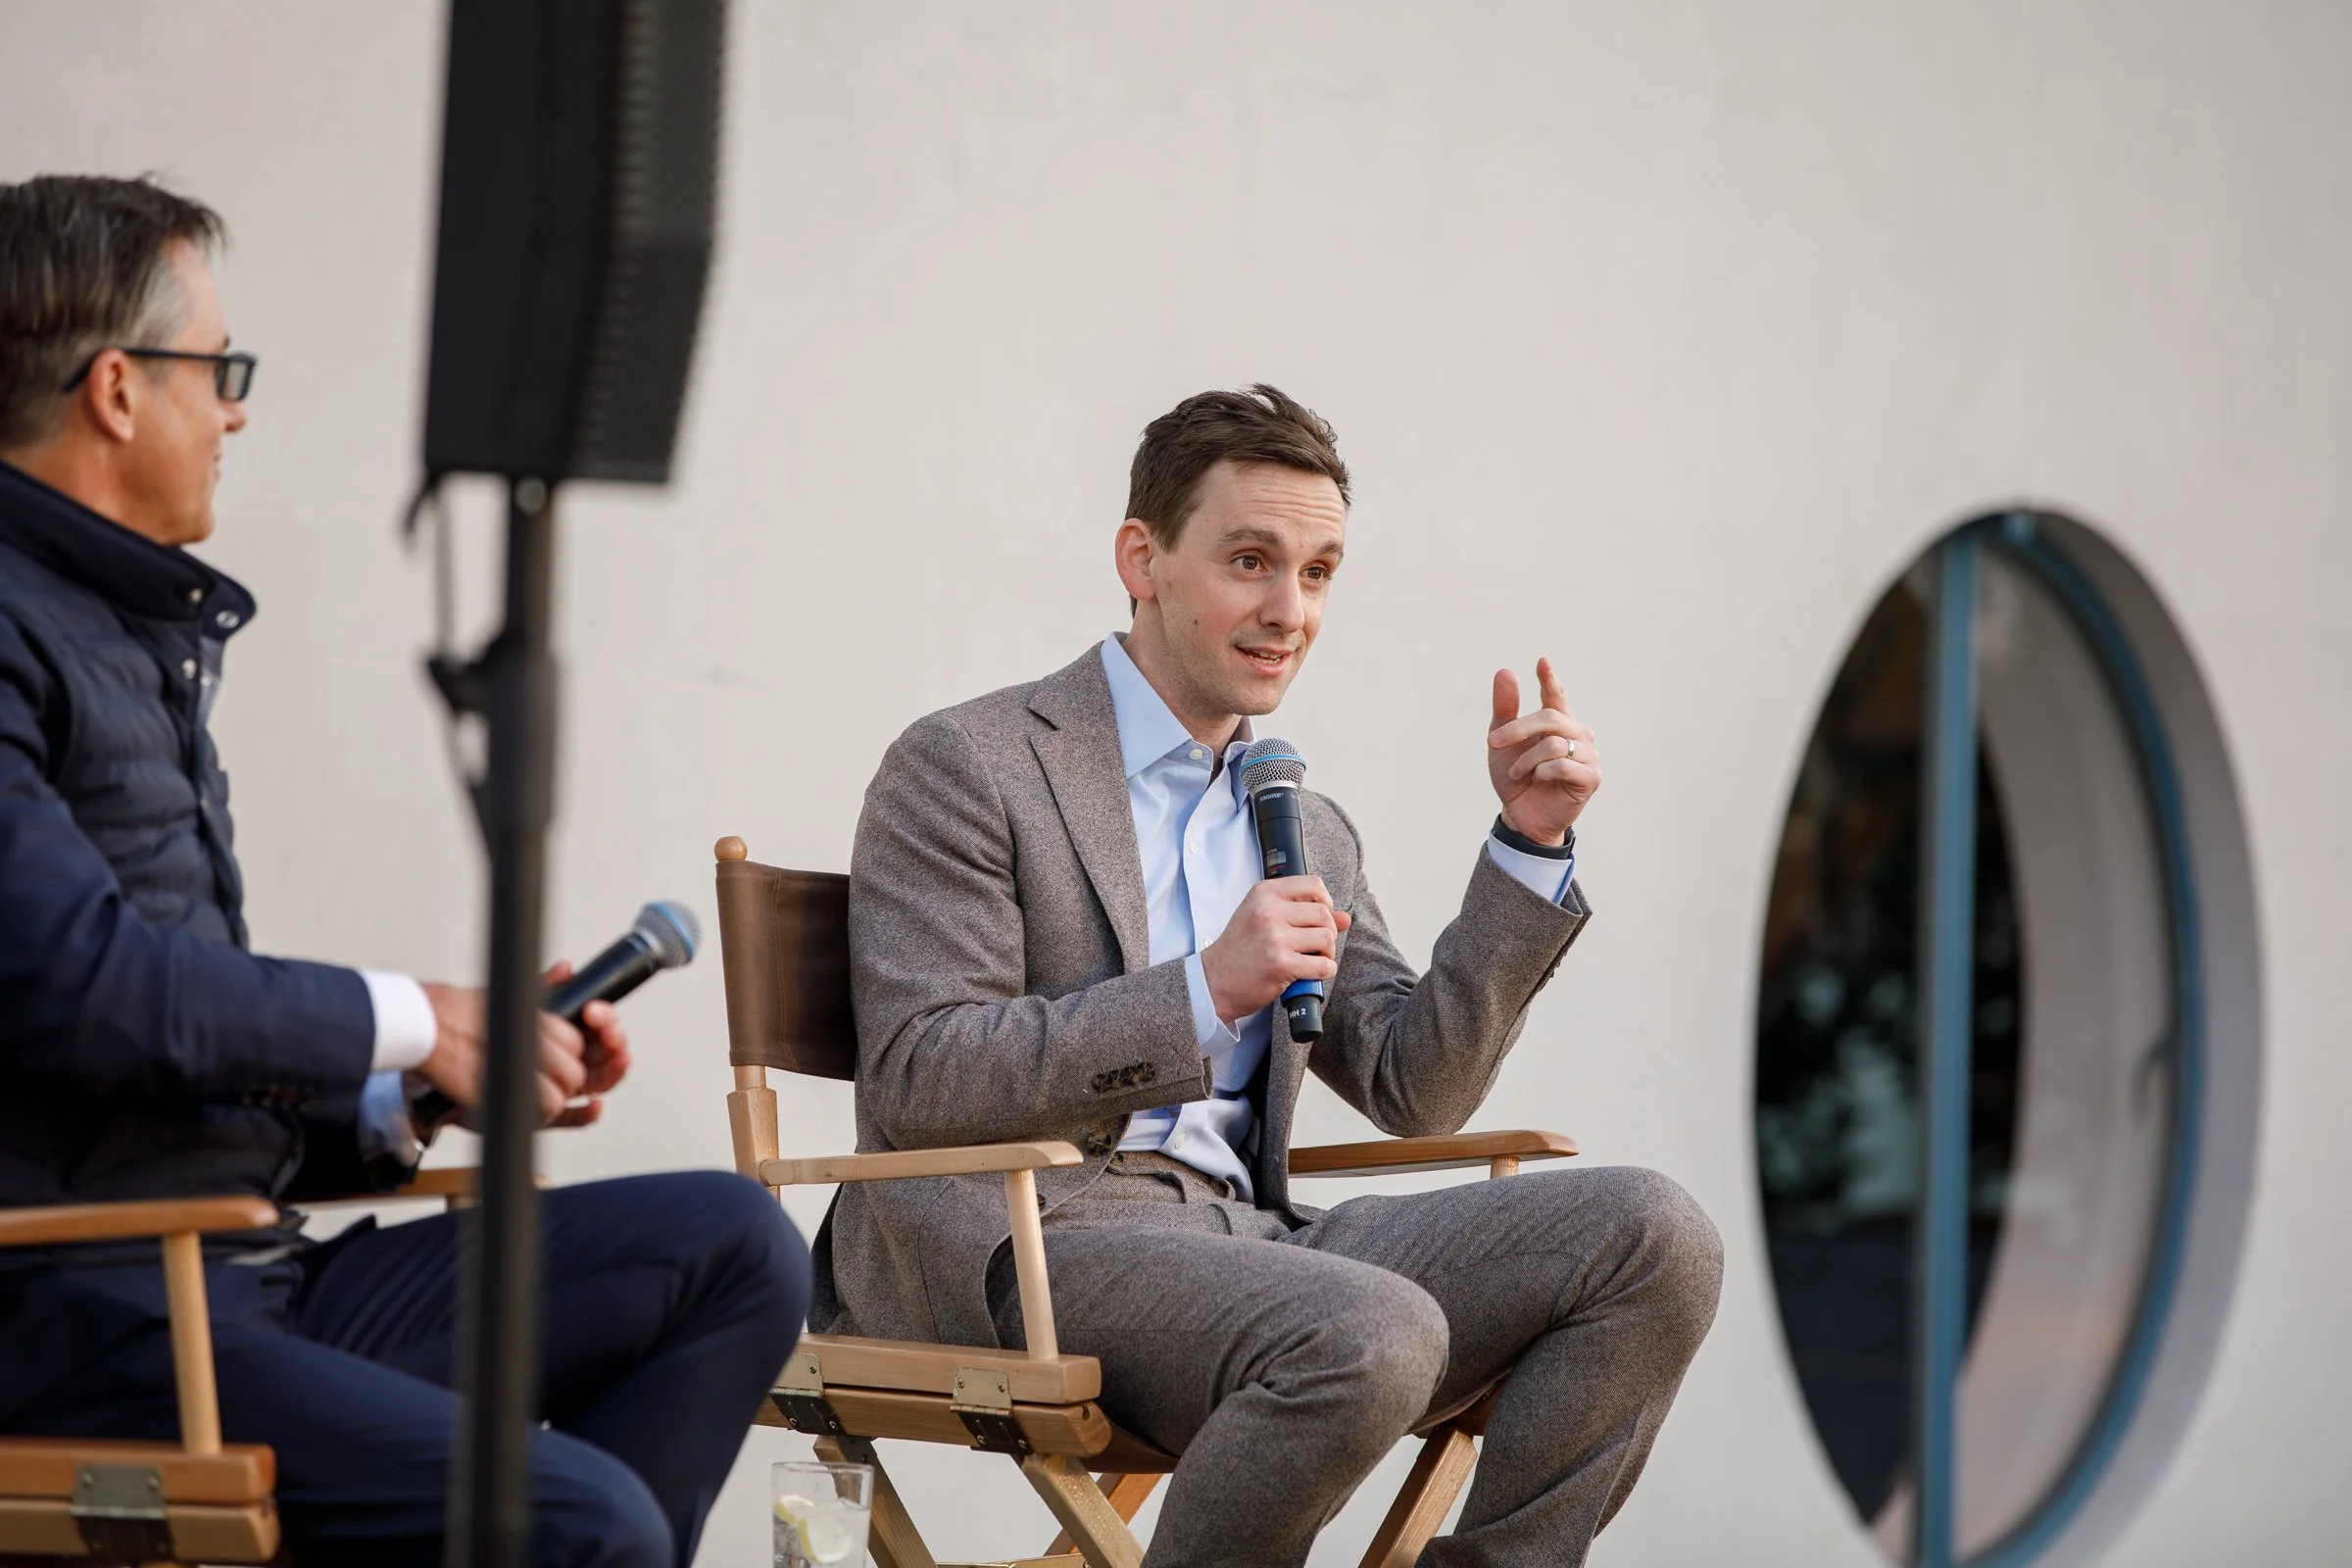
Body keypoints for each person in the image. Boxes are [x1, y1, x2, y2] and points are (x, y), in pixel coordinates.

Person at [0, 174, 807, 1568]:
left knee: (736, 1247)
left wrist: (403, 1093)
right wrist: (423, 1014)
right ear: (118, 390)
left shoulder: (129, 632)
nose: (237, 410)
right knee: (581, 1523)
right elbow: (84, 990)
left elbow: (164, 1054)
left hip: (239, 1274)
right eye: (221, 371)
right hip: (89, 1315)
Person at [830, 384, 1724, 1566]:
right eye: (1251, 560)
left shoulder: (1297, 816)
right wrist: (1205, 988)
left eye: (1319, 572)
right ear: (1140, 559)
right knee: (1370, 1331)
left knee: (1659, 1234)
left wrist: (1529, 844)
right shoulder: (971, 765)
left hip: (1255, 1244)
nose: (1289, 609)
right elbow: (919, 1077)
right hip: (1028, 1244)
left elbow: (1418, 1090)